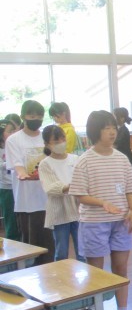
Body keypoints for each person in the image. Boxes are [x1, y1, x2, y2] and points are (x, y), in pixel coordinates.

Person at [69, 110, 132, 310]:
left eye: (113, 127)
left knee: (121, 269)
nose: (112, 132)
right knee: (96, 272)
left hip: (121, 222)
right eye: (106, 128)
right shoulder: (84, 161)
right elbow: (80, 195)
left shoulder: (121, 158)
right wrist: (102, 203)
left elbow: (130, 189)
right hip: (94, 222)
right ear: (94, 131)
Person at [5, 100, 55, 264]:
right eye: (32, 116)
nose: (36, 119)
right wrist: (24, 174)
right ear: (23, 117)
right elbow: (17, 165)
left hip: (48, 198)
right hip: (27, 201)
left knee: (50, 244)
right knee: (31, 245)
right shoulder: (14, 140)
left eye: (39, 116)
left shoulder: (46, 137)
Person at [38, 125, 83, 262]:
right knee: (61, 251)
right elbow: (50, 187)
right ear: (47, 144)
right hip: (59, 211)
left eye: (63, 139)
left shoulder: (75, 159)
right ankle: (60, 274)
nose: (61, 143)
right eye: (56, 141)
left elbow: (83, 179)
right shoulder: (45, 164)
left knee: (82, 250)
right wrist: (69, 187)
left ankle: (88, 273)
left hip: (78, 209)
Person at [0, 119, 21, 241]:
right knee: (11, 219)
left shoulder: (15, 146)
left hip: (19, 185)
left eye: (14, 130)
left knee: (21, 218)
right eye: (10, 131)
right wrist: (11, 163)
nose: (13, 133)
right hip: (6, 188)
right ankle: (12, 244)